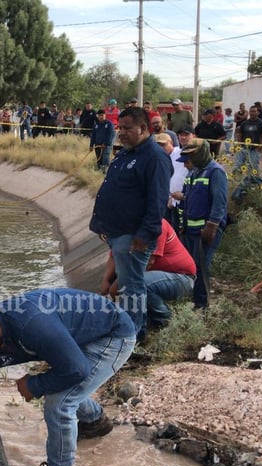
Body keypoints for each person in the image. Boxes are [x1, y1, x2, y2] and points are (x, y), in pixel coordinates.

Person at [0, 289, 136, 466]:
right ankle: (95, 421)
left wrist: (34, 385)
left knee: (59, 403)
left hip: (112, 334)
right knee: (59, 382)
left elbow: (77, 370)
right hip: (76, 338)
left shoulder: (31, 325)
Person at [89, 107, 172, 337]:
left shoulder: (154, 157)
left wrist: (145, 235)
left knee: (131, 288)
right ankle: (129, 332)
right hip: (117, 233)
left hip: (133, 235)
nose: (121, 133)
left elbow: (158, 201)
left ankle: (134, 335)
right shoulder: (127, 153)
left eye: (127, 128)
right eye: (119, 128)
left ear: (143, 129)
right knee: (127, 287)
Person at [101, 219, 195, 333]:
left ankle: (164, 321)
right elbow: (114, 255)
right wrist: (106, 280)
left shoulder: (156, 225)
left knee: (135, 284)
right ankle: (142, 322)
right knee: (129, 285)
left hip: (182, 278)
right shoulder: (128, 226)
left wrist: (118, 285)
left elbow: (147, 263)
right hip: (159, 278)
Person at [174, 139, 228, 310]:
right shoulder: (194, 172)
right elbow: (187, 199)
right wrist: (182, 225)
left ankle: (202, 305)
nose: (188, 161)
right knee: (191, 266)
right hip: (191, 230)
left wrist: (212, 227)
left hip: (205, 230)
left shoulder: (215, 172)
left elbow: (219, 202)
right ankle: (194, 299)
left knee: (201, 267)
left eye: (192, 155)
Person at [155, 133, 187, 234]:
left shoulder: (180, 154)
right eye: (158, 146)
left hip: (181, 199)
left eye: (164, 145)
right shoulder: (158, 158)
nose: (161, 148)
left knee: (178, 230)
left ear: (171, 143)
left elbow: (182, 176)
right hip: (167, 200)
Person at [234, 105, 262, 171]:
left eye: (254, 111)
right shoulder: (244, 123)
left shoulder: (261, 123)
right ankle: (238, 180)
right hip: (243, 148)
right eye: (251, 111)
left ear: (258, 113)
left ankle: (253, 180)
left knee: (253, 167)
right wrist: (239, 144)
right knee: (238, 166)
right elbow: (240, 133)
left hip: (254, 149)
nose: (252, 113)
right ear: (249, 112)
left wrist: (260, 147)